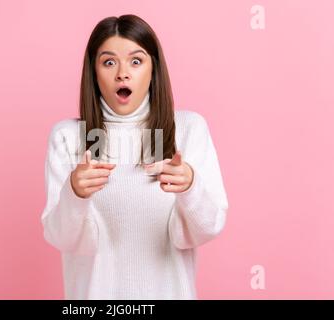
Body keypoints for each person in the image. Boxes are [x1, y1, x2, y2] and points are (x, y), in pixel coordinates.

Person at [41, 14, 229, 299]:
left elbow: (206, 230)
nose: (122, 73)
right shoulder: (69, 137)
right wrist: (74, 193)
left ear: (153, 70)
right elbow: (65, 239)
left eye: (136, 61)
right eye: (108, 62)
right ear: (93, 72)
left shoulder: (187, 129)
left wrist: (190, 187)